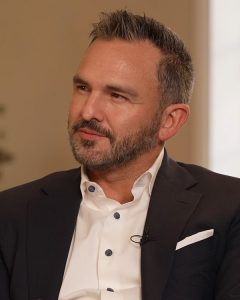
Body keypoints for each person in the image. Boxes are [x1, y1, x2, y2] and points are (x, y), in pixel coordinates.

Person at [0, 9, 240, 300]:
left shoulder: (228, 207)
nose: (88, 111)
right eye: (82, 88)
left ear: (170, 120)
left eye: (117, 96)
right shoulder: (12, 214)